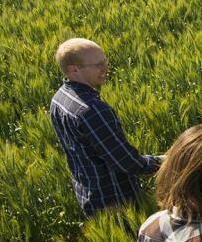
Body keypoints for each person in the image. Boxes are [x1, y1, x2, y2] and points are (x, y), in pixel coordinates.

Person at [49, 37, 162, 218]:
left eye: (105, 61)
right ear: (73, 69)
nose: (105, 68)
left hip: (89, 195)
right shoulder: (91, 109)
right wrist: (167, 161)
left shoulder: (59, 98)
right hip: (117, 202)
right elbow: (126, 162)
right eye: (98, 65)